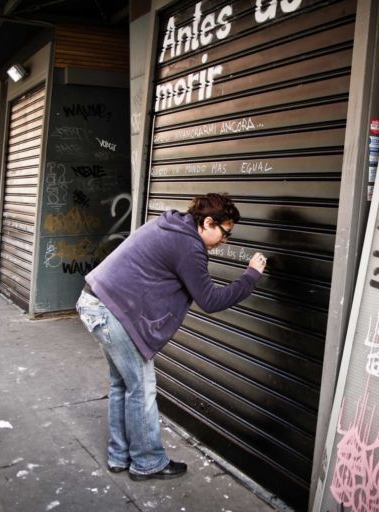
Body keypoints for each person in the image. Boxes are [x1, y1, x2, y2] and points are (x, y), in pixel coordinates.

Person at [76, 193, 267, 481]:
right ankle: (147, 462)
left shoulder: (172, 226)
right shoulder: (188, 246)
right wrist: (250, 276)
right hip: (110, 312)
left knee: (122, 384)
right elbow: (211, 300)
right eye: (225, 233)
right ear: (207, 222)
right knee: (141, 388)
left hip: (95, 302)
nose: (224, 241)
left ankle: (119, 456)